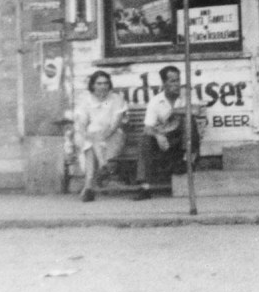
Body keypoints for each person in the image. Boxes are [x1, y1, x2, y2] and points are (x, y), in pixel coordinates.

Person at [133, 65, 200, 201]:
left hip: (184, 141)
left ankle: (187, 162)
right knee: (145, 139)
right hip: (166, 142)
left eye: (178, 80)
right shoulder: (156, 101)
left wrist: (174, 111)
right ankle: (144, 188)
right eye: (172, 81)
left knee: (188, 118)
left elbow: (196, 111)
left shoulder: (187, 95)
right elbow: (148, 127)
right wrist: (158, 136)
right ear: (164, 83)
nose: (177, 84)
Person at [73, 70, 129, 203]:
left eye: (105, 83)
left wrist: (100, 136)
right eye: (99, 83)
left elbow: (115, 124)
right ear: (92, 85)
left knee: (91, 142)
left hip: (113, 136)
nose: (103, 86)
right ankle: (103, 166)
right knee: (89, 141)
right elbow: (82, 122)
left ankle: (88, 185)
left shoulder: (115, 99)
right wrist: (88, 134)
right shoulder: (86, 100)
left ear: (109, 85)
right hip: (93, 137)